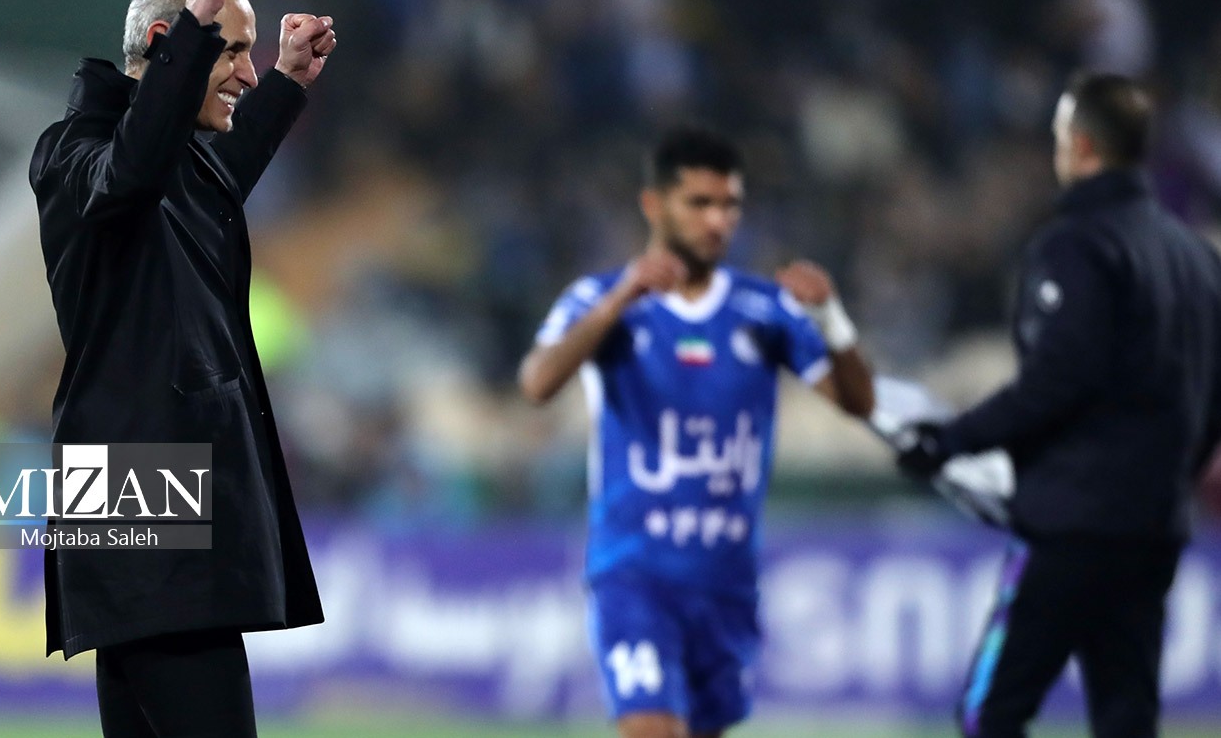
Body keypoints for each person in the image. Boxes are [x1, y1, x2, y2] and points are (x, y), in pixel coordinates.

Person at [29, 0, 335, 737]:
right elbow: (130, 174)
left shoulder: (180, 168)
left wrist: (286, 80)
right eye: (231, 51)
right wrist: (198, 19)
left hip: (142, 487)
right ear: (169, 45)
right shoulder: (74, 153)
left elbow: (216, 169)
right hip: (139, 485)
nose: (245, 72)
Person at [519, 126, 875, 738]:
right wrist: (620, 301)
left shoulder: (764, 310)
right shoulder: (602, 298)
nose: (718, 221)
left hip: (726, 584)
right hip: (635, 575)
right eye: (700, 204)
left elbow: (858, 404)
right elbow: (537, 382)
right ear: (654, 205)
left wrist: (831, 319)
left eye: (730, 205)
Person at [897, 73, 1221, 738]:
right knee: (1127, 715)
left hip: (1072, 522)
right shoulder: (1195, 256)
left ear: (1081, 146)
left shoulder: (1076, 245)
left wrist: (948, 441)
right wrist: (1173, 477)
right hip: (1154, 525)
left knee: (992, 713)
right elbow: (1214, 393)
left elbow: (1056, 380)